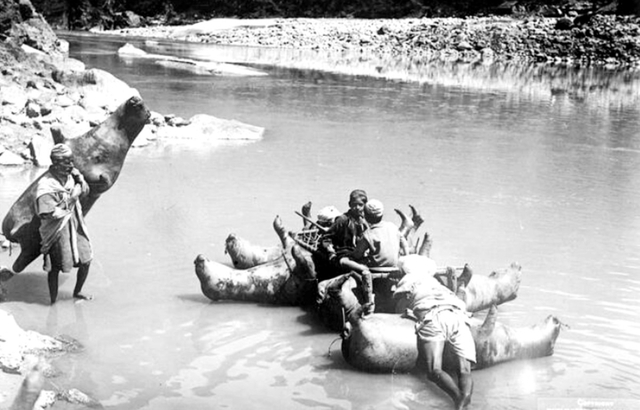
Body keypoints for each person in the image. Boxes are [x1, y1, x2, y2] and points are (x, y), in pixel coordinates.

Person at [392, 259, 475, 410]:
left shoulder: (407, 282)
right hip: (458, 314)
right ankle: (466, 400)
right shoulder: (437, 284)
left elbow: (399, 308)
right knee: (464, 370)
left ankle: (458, 399)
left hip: (433, 315)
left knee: (434, 370)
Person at [36, 143, 93, 304]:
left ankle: (77, 291)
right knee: (55, 267)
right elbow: (47, 213)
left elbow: (85, 191)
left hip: (74, 223)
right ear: (55, 163)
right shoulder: (46, 185)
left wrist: (80, 178)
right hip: (57, 229)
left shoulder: (70, 177)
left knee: (86, 259)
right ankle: (53, 301)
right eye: (67, 162)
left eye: (72, 161)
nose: (71, 165)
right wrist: (72, 198)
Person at [339, 199, 409, 314]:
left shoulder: (368, 234)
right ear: (382, 214)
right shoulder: (392, 226)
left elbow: (357, 255)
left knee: (344, 261)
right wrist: (406, 257)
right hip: (394, 267)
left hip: (376, 269)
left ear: (365, 216)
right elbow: (404, 244)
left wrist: (349, 255)